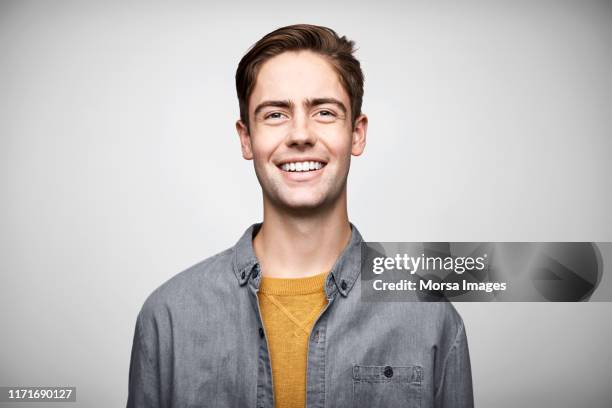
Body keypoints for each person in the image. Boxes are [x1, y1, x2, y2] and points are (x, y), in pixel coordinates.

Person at [127, 24, 474, 408]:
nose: (300, 134)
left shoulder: (431, 317)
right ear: (246, 139)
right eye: (275, 114)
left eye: (324, 112)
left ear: (356, 134)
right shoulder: (168, 318)